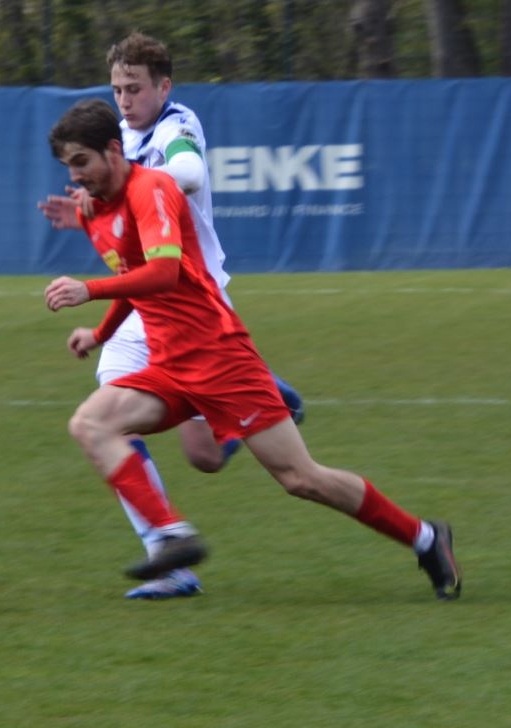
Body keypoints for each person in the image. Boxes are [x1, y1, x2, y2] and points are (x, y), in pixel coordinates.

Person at [42, 98, 462, 602]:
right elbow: (136, 281)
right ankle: (172, 536)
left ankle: (426, 537)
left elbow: (164, 273)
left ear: (114, 150)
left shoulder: (151, 188)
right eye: (68, 166)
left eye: (82, 162)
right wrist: (102, 333)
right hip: (170, 365)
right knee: (91, 424)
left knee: (301, 479)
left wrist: (88, 290)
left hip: (219, 358)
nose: (75, 176)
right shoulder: (100, 208)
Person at [39, 32, 304, 600]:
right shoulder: (118, 139)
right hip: (144, 301)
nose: (125, 99)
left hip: (191, 300)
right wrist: (87, 207)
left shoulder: (176, 126)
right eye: (117, 89)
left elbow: (189, 174)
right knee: (127, 430)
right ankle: (170, 555)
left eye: (135, 88)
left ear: (163, 88)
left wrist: (131, 177)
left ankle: (264, 397)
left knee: (190, 452)